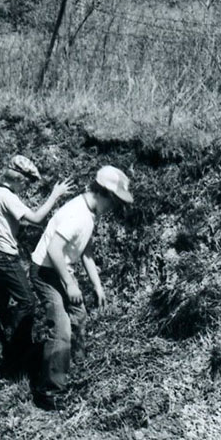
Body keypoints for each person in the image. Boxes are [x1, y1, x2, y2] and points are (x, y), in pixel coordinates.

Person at [30, 166, 133, 410]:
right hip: (45, 273)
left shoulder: (90, 213)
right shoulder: (77, 214)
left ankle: (73, 368)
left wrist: (97, 285)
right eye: (114, 202)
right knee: (61, 326)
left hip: (61, 271)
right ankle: (50, 391)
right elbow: (54, 249)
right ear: (103, 193)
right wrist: (69, 283)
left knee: (78, 315)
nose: (114, 208)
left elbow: (86, 251)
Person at [0, 155, 72, 372]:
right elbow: (36, 218)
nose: (26, 187)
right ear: (19, 180)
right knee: (28, 302)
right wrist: (54, 196)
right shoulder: (8, 197)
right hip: (4, 255)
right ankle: (17, 351)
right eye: (27, 183)